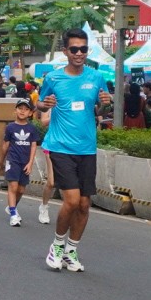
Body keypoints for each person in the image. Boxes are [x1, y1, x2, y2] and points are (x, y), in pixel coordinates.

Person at [37, 29, 105, 273]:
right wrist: (44, 104)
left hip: (87, 148)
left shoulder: (96, 77)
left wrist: (105, 105)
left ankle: (71, 250)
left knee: (84, 204)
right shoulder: (54, 78)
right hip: (60, 146)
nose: (79, 53)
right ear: (65, 51)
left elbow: (101, 109)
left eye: (83, 49)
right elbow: (39, 104)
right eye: (74, 49)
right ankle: (56, 246)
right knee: (72, 201)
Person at [2, 98, 40, 226]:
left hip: (25, 162)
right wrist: (2, 160)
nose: (22, 111)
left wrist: (30, 163)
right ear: (15, 110)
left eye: (26, 109)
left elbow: (33, 146)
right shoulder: (10, 127)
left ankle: (12, 207)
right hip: (13, 160)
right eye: (20, 108)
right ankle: (13, 215)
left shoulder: (32, 128)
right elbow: (5, 144)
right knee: (13, 186)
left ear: (30, 113)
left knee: (21, 189)